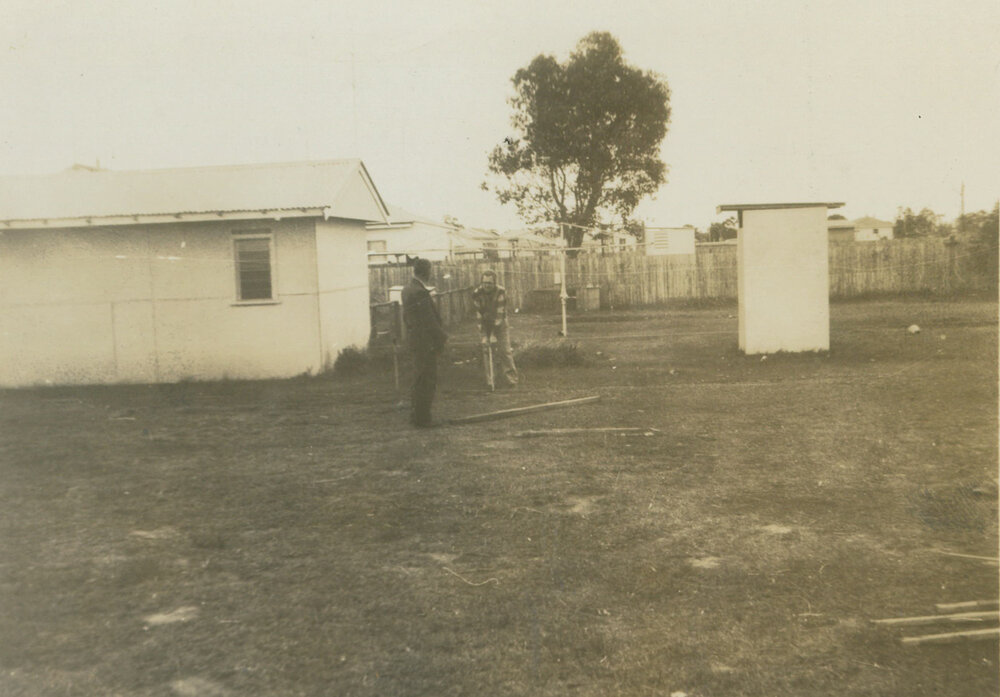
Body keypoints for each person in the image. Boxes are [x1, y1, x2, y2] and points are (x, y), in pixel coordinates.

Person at [401, 258, 448, 427]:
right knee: (426, 380)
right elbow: (430, 322)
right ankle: (422, 419)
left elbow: (406, 318)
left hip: (416, 340)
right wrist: (442, 338)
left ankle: (417, 416)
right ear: (427, 272)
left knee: (419, 378)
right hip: (425, 343)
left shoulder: (408, 289)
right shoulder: (419, 292)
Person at [472, 270, 518, 388]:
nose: (487, 285)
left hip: (500, 323)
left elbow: (500, 315)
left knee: (504, 350)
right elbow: (479, 315)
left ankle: (511, 378)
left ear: (494, 283)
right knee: (487, 349)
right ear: (482, 282)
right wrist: (484, 335)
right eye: (485, 282)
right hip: (485, 322)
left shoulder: (501, 292)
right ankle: (490, 380)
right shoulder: (476, 294)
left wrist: (492, 334)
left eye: (490, 283)